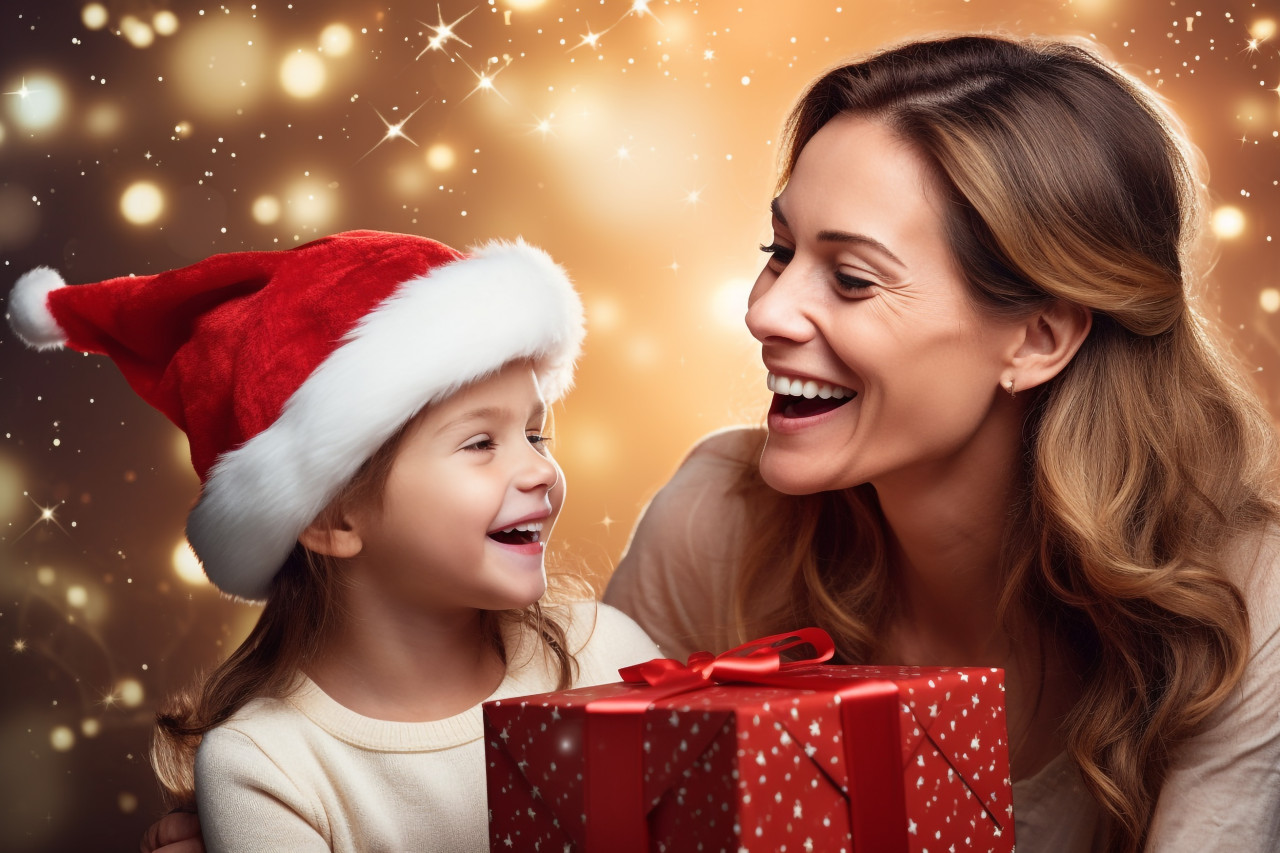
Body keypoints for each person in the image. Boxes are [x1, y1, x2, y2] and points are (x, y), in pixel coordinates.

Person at [603, 33, 1280, 853]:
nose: (764, 312)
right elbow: (587, 804)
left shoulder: (1240, 600)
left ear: (1037, 338)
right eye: (780, 251)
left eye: (852, 279)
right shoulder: (716, 519)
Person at [6, 230, 660, 852]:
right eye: (480, 442)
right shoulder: (267, 766)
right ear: (333, 520)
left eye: (536, 434)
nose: (541, 469)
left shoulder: (607, 653)